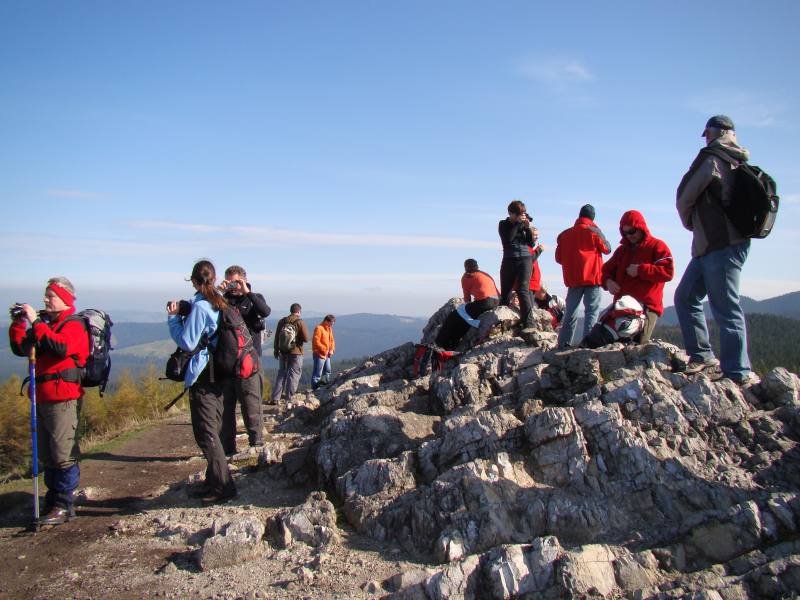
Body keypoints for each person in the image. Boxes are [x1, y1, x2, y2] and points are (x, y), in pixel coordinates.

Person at [674, 115, 757, 385]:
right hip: (719, 244)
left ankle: (736, 372)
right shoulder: (737, 159)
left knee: (725, 308)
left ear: (716, 133)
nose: (706, 139)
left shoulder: (711, 157)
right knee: (686, 297)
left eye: (707, 134)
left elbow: (684, 196)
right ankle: (703, 355)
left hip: (720, 243)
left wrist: (691, 223)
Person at [8, 277, 89, 525]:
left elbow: (59, 347)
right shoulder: (46, 325)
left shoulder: (73, 325)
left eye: (50, 296)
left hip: (64, 398)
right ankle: (52, 500)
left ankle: (64, 505)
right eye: (46, 295)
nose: (45, 300)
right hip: (42, 397)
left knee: (63, 452)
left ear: (64, 300)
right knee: (47, 453)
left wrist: (35, 322)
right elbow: (21, 348)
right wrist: (19, 324)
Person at [167, 260, 237, 505]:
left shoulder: (201, 306)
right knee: (213, 428)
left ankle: (223, 486)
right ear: (214, 279)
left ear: (194, 281)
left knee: (206, 433)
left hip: (204, 374)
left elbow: (187, 342)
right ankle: (213, 480)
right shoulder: (218, 300)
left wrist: (173, 319)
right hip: (219, 372)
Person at [219, 265, 271, 453]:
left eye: (236, 282)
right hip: (226, 363)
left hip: (249, 362)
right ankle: (227, 448)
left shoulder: (254, 298)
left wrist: (247, 292)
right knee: (225, 409)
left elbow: (265, 311)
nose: (232, 286)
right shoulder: (222, 300)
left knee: (252, 405)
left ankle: (256, 444)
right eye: (229, 282)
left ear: (244, 280)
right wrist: (217, 293)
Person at [601, 210, 674, 344]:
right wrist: (608, 281)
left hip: (646, 308)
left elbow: (667, 272)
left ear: (641, 228)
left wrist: (641, 270)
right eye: (625, 233)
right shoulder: (622, 251)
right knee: (605, 342)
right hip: (622, 308)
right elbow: (605, 270)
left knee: (637, 346)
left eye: (632, 231)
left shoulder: (657, 246)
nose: (629, 236)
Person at [555, 204, 611, 348]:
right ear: (592, 218)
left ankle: (563, 345)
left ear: (579, 216)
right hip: (593, 279)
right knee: (591, 312)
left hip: (573, 281)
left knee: (570, 313)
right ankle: (588, 346)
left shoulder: (564, 235)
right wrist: (598, 231)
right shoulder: (594, 232)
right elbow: (607, 249)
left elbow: (558, 258)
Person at [435, 259, 501, 350]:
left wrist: (467, 307)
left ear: (465, 267)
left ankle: (441, 343)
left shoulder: (467, 277)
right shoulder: (484, 274)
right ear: (477, 266)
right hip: (496, 301)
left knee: (454, 316)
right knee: (466, 317)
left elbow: (467, 298)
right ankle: (452, 343)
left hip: (485, 303)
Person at [499, 200, 538, 328]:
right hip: (509, 259)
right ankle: (502, 322)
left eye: (522, 214)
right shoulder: (503, 224)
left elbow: (531, 243)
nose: (520, 216)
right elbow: (508, 239)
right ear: (510, 213)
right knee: (506, 291)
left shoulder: (522, 225)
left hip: (525, 259)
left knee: (523, 290)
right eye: (518, 214)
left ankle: (529, 323)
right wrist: (517, 224)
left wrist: (527, 228)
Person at [271, 303, 309, 405]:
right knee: (294, 375)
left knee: (281, 374)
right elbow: (306, 339)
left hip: (283, 351)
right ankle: (289, 398)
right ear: (299, 311)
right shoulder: (300, 322)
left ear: (291, 310)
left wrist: (276, 350)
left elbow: (277, 337)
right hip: (296, 352)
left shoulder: (282, 321)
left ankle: (275, 398)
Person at [311, 315, 336, 390]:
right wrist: (325, 350)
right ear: (326, 321)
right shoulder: (319, 328)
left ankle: (325, 383)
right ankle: (315, 387)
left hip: (327, 354)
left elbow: (332, 340)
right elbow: (316, 341)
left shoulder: (329, 329)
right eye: (331, 324)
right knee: (317, 372)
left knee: (327, 370)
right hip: (319, 354)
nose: (331, 325)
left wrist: (332, 349)